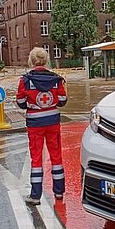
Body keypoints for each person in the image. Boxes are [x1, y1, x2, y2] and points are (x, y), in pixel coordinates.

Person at [16, 47, 68, 205]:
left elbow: (20, 102)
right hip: (52, 121)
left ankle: (35, 195)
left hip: (35, 123)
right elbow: (63, 100)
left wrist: (33, 104)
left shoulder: (25, 80)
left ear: (31, 61)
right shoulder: (57, 79)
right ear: (46, 61)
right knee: (56, 156)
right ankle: (59, 193)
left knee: (36, 158)